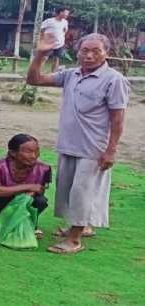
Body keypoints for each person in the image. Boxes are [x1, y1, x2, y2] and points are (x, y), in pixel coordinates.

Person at [27, 33, 129, 255]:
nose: (89, 55)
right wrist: (40, 54)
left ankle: (74, 239)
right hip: (69, 143)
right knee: (68, 190)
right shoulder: (70, 75)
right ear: (78, 52)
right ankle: (83, 226)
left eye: (96, 51)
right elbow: (34, 80)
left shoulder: (114, 80)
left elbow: (118, 119)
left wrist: (111, 151)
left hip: (93, 147)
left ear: (106, 53)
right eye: (85, 50)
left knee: (83, 192)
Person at [0, 134, 51, 237]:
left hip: (25, 199)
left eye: (36, 151)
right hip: (1, 199)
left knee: (41, 201)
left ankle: (28, 222)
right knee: (0, 198)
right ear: (13, 153)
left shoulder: (43, 168)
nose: (34, 156)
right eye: (28, 152)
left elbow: (40, 190)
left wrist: (31, 192)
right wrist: (28, 187)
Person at [41, 7, 70, 73]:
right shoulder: (49, 21)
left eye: (68, 13)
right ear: (60, 12)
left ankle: (53, 74)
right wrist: (44, 38)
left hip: (59, 44)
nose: (67, 15)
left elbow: (65, 30)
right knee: (44, 58)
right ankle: (38, 72)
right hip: (49, 43)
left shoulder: (65, 22)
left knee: (56, 59)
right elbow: (42, 30)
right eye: (66, 13)